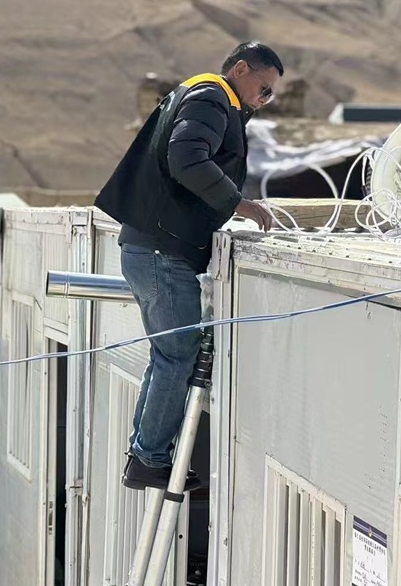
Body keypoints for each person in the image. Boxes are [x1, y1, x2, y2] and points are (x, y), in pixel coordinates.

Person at [94, 42, 282, 490]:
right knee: (177, 358)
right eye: (264, 88)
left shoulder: (205, 95)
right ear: (241, 69)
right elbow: (187, 160)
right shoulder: (212, 97)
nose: (265, 99)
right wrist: (239, 204)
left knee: (168, 357)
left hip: (153, 248)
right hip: (163, 252)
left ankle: (146, 454)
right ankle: (149, 459)